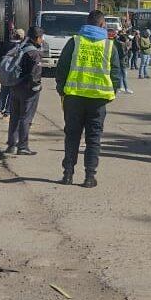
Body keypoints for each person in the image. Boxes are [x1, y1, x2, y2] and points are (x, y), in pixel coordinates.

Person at [55, 10, 123, 187]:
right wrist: (111, 93)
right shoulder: (109, 46)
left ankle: (68, 175)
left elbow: (61, 68)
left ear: (87, 23)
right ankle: (89, 177)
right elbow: (116, 73)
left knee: (72, 136)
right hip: (98, 101)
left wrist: (62, 90)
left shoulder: (74, 42)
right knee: (93, 139)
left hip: (74, 98)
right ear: (102, 25)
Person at [6, 27, 44, 156]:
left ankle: (11, 145)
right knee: (26, 118)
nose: (42, 40)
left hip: (15, 86)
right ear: (38, 38)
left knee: (14, 117)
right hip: (28, 90)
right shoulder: (35, 53)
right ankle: (23, 146)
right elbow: (35, 75)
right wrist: (37, 86)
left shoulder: (20, 48)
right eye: (41, 37)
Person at [0, 28, 25, 119]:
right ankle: (7, 111)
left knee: (3, 91)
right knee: (12, 93)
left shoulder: (6, 44)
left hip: (4, 71)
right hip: (13, 72)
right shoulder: (21, 47)